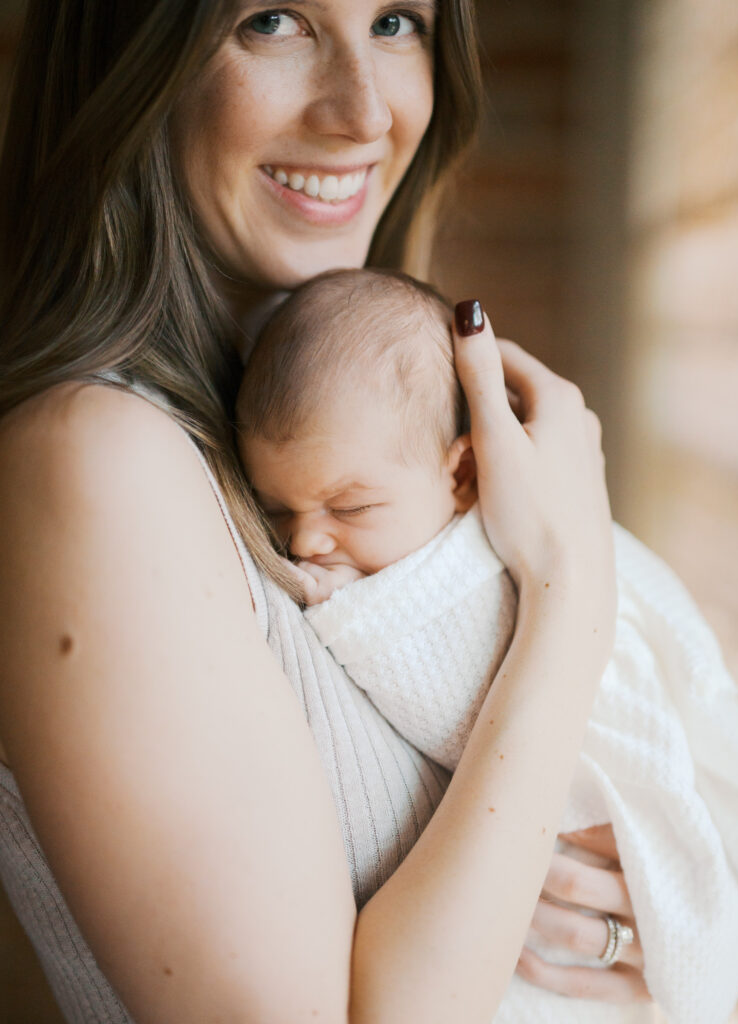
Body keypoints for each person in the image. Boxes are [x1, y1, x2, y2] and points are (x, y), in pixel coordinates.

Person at [0, 2, 654, 1021]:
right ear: (130, 56)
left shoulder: (349, 427)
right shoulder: (94, 460)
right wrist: (571, 598)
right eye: (273, 20)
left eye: (396, 20)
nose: (364, 112)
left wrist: (649, 917)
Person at [236, 266, 738, 1024]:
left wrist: (354, 616)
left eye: (348, 507)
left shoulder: (477, 564)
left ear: (462, 473)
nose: (305, 541)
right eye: (275, 509)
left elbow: (462, 697)